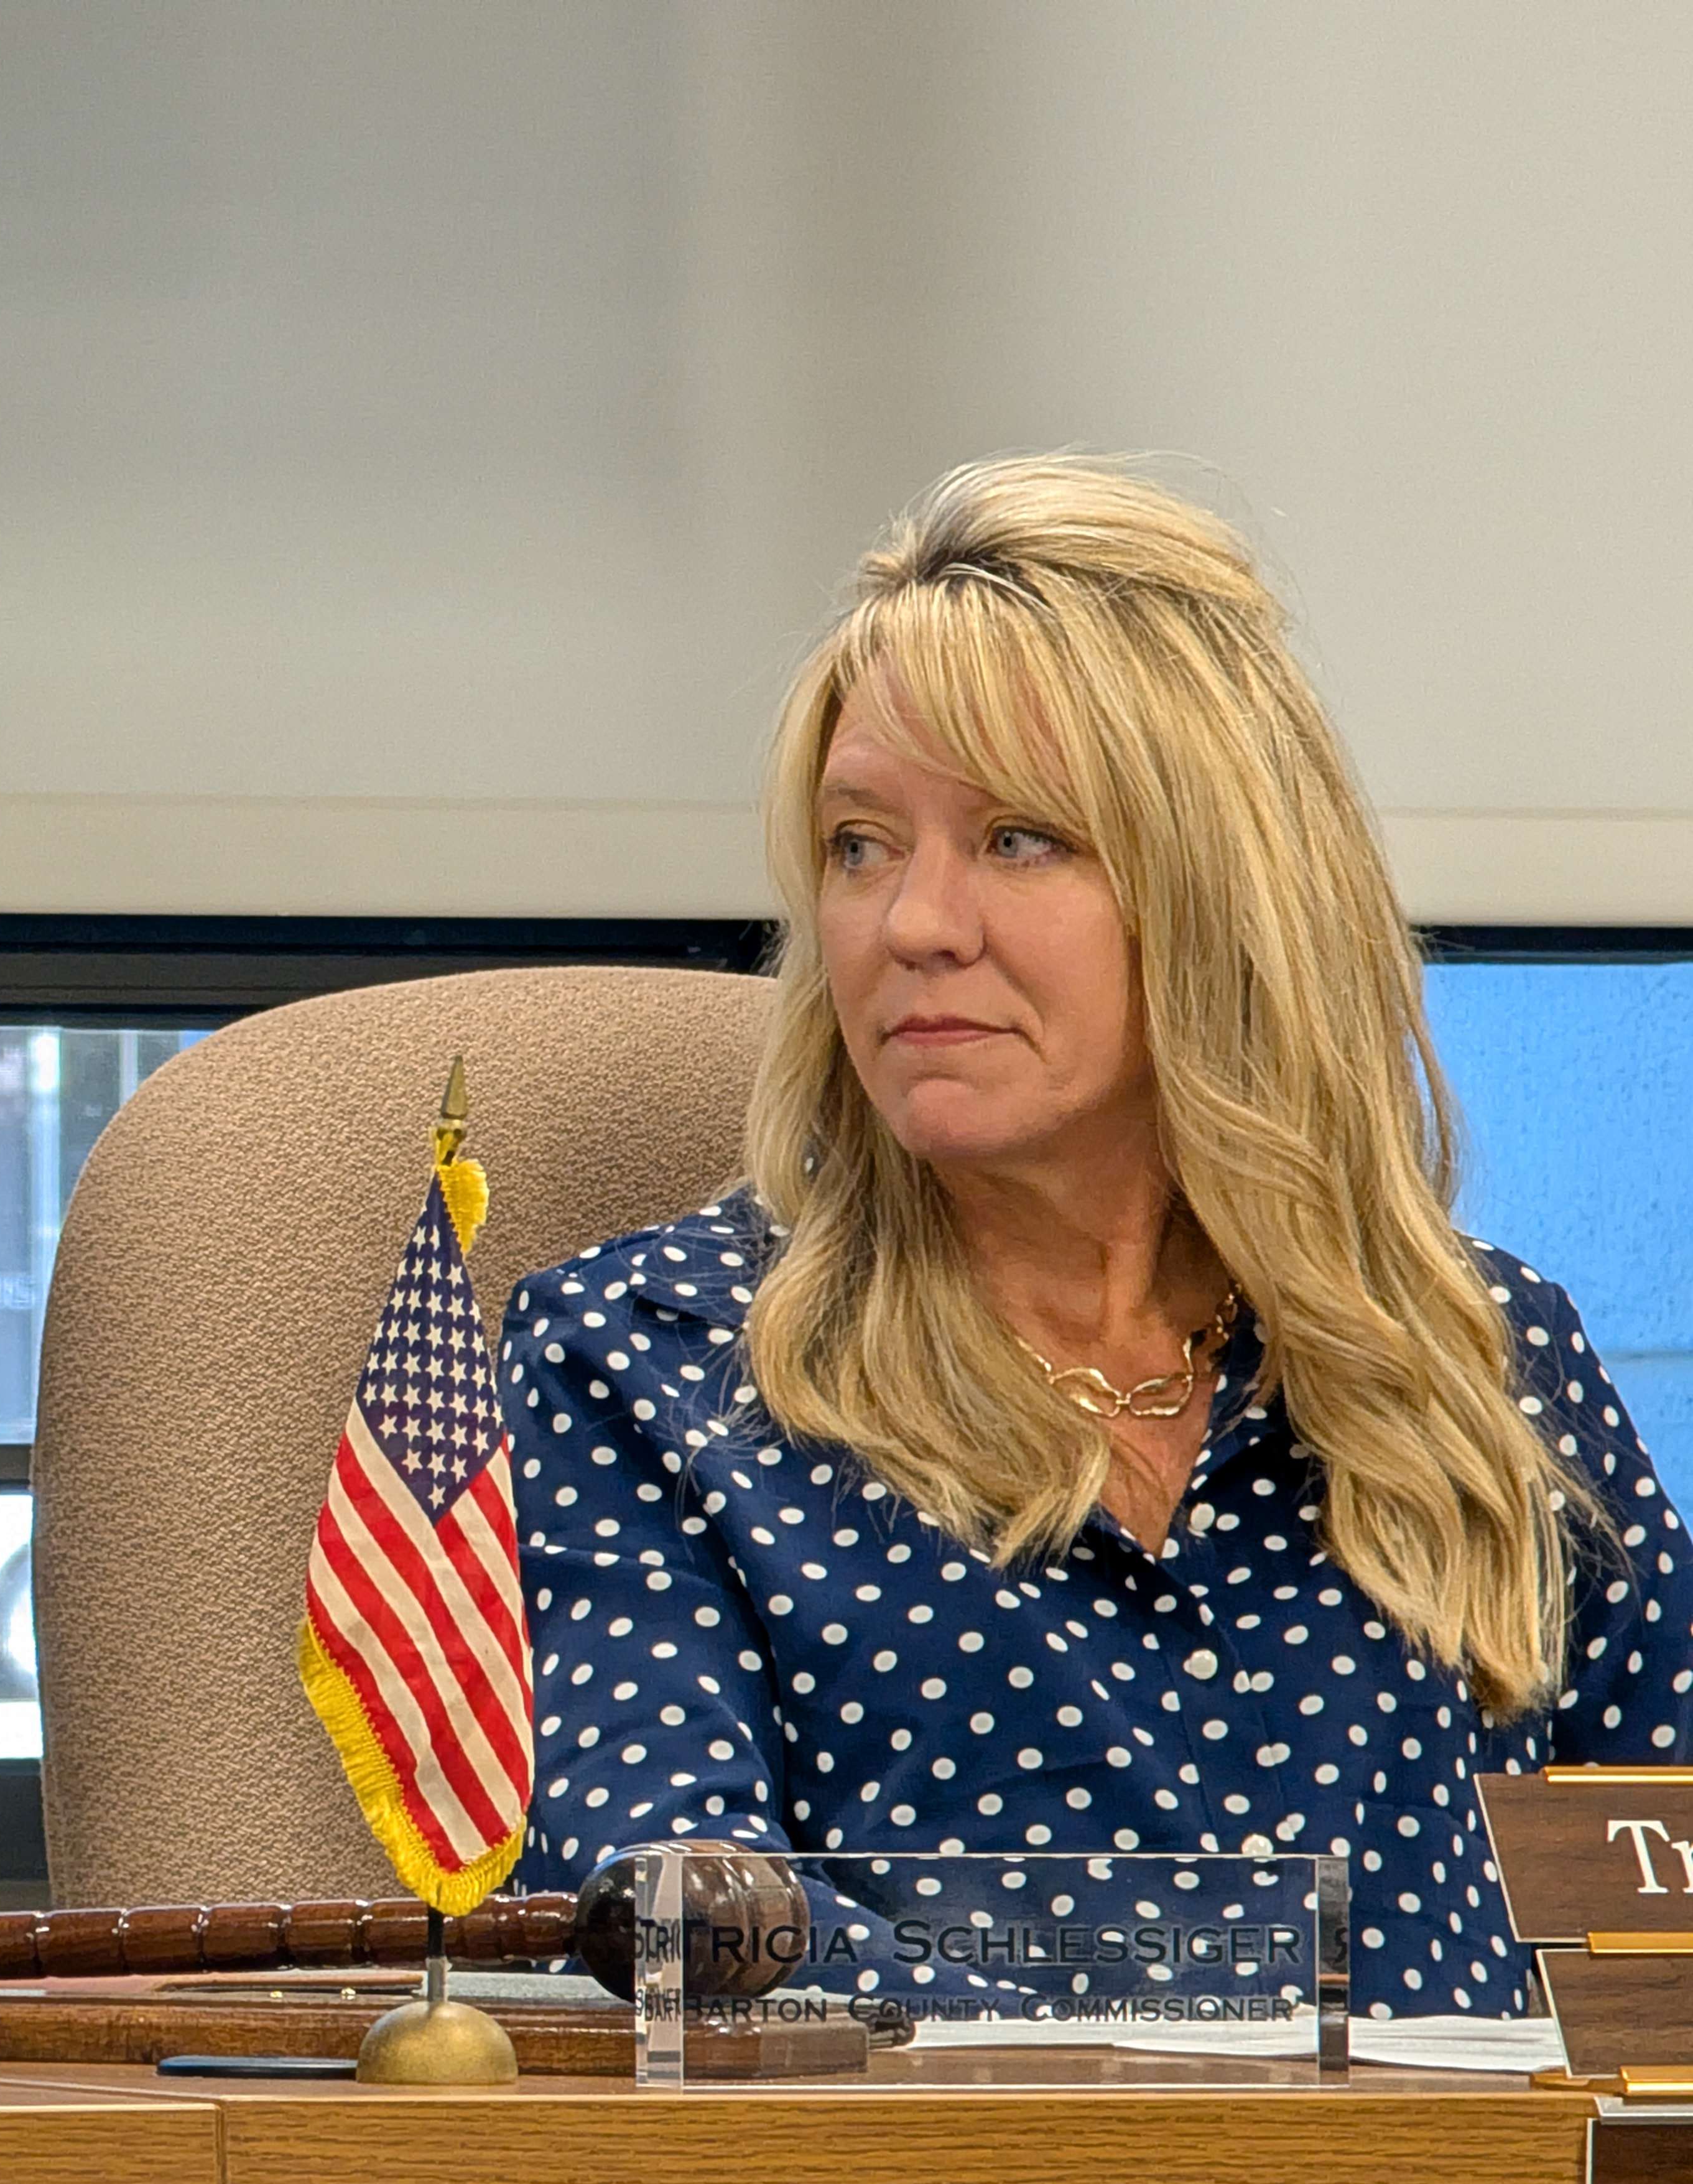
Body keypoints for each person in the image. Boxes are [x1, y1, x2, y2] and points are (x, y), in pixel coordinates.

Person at [514, 456, 1693, 2017]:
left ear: (1221, 896)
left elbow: (1663, 1913)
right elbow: (679, 1940)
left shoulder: (1479, 1360)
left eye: (1017, 840)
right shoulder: (649, 1368)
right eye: (861, 844)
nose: (914, 922)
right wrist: (1242, 2068)